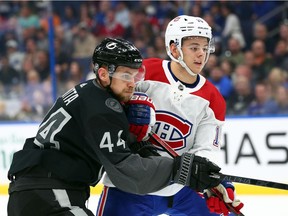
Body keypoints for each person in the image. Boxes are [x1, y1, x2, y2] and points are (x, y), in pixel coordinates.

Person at [7, 37, 222, 216]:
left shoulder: (91, 94)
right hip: (49, 196)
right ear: (103, 74)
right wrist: (180, 168)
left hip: (41, 192)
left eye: (135, 75)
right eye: (126, 75)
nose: (133, 82)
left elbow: (119, 148)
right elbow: (127, 172)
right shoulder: (103, 107)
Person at [98, 16, 244, 216]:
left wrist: (207, 176)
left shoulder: (213, 99)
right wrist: (124, 120)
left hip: (180, 189)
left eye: (205, 47)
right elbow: (103, 99)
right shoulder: (144, 72)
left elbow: (205, 148)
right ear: (174, 49)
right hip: (129, 187)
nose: (201, 54)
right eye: (194, 47)